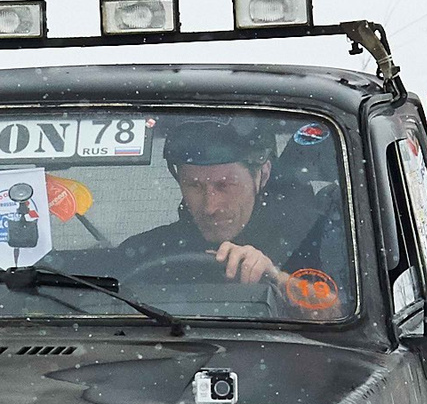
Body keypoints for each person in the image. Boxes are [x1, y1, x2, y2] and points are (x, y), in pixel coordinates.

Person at [119, 118, 349, 318]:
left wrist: (276, 277)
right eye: (194, 185)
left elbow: (340, 318)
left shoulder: (315, 238)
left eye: (225, 185)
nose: (210, 206)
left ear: (263, 174)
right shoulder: (144, 252)